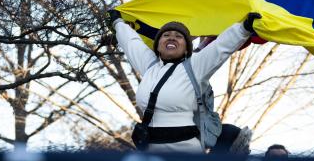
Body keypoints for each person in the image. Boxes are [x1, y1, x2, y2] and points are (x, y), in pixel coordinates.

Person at [108, 10, 261, 152]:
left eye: (178, 36)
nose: (172, 37)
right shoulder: (150, 66)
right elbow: (131, 42)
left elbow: (221, 47)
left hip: (185, 150)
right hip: (150, 149)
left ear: (187, 48)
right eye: (166, 35)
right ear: (158, 45)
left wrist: (244, 28)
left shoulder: (195, 66)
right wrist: (118, 22)